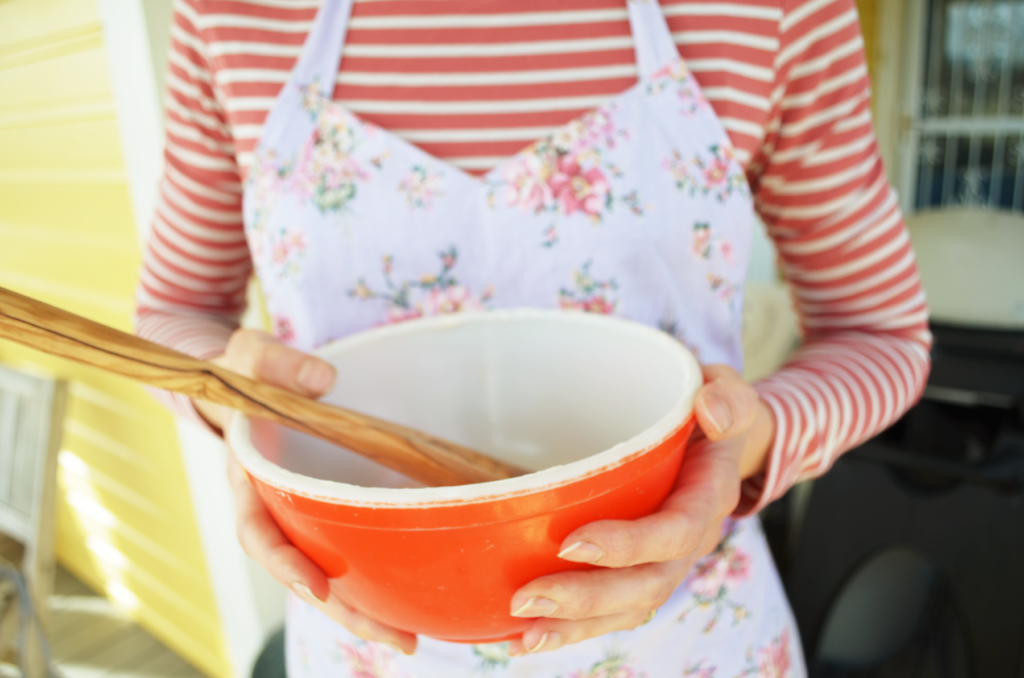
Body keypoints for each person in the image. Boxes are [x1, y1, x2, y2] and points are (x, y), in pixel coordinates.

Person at [137, 0, 931, 675]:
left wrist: (750, 445)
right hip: (367, 647)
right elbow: (174, 313)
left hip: (685, 640)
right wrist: (226, 395)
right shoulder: (228, 14)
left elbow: (881, 332)